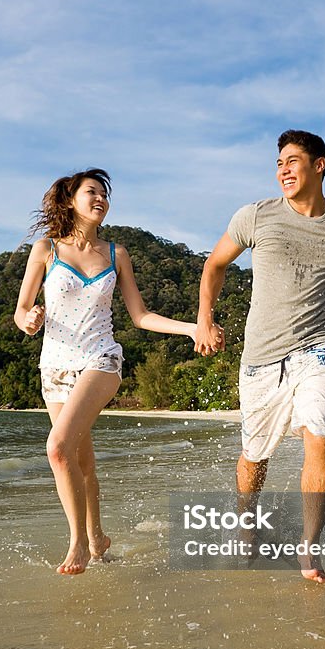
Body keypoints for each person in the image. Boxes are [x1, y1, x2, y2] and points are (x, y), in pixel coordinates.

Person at [194, 131, 325, 583]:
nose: (283, 170)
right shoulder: (255, 216)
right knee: (255, 457)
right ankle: (246, 522)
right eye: (279, 163)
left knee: (321, 439)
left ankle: (309, 547)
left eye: (292, 161)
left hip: (317, 347)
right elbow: (214, 265)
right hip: (262, 357)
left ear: (320, 165)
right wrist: (205, 319)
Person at [15, 168, 196, 576]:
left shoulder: (117, 253)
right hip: (54, 368)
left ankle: (77, 541)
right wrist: (28, 320)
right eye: (91, 192)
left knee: (57, 448)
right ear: (69, 200)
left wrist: (190, 328)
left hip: (101, 360)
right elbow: (21, 310)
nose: (100, 199)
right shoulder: (46, 250)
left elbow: (141, 315)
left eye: (104, 194)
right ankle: (98, 538)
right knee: (82, 460)